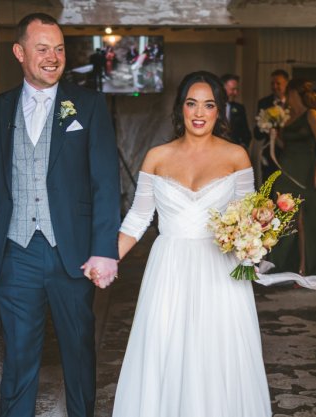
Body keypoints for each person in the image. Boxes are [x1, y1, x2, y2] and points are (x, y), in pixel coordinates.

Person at [0, 13, 121, 417]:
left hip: (71, 252)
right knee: (19, 358)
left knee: (78, 352)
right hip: (15, 252)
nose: (53, 57)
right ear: (20, 52)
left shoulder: (88, 105)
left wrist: (105, 249)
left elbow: (106, 183)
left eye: (58, 49)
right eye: (42, 48)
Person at [110, 71, 272, 417]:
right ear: (180, 108)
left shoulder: (236, 156)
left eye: (209, 105)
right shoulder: (157, 156)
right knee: (166, 349)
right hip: (169, 269)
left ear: (220, 111)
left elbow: (250, 218)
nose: (199, 113)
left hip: (221, 271)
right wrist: (109, 260)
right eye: (191, 103)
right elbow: (138, 219)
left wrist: (253, 241)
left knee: (217, 352)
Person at [268, 79, 316, 278]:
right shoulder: (287, 115)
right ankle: (285, 265)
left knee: (305, 220)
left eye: (290, 93)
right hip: (287, 169)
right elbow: (286, 146)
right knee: (285, 218)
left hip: (307, 170)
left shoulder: (311, 114)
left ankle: (306, 268)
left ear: (295, 93)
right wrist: (275, 136)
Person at [250, 68, 289, 188]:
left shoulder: (293, 102)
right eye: (272, 83)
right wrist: (265, 126)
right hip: (270, 154)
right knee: (269, 188)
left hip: (289, 153)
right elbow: (257, 134)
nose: (275, 86)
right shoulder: (264, 103)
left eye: (278, 83)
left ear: (287, 83)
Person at [220, 73, 251, 147]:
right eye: (233, 89)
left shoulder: (239, 108)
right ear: (222, 88)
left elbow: (246, 134)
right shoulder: (212, 106)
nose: (236, 93)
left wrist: (243, 147)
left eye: (237, 89)